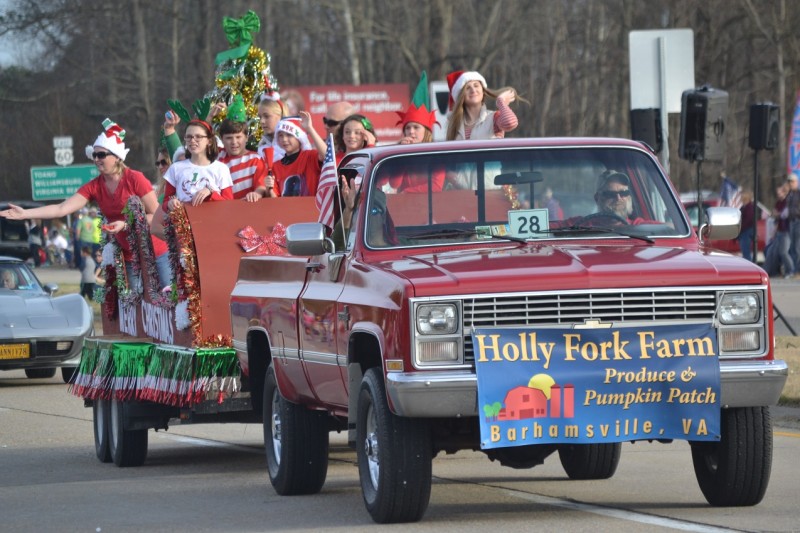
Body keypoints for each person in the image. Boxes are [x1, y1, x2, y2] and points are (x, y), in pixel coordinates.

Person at [0, 118, 173, 291]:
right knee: (135, 309)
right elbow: (61, 208)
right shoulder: (95, 186)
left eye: (101, 155)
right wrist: (25, 214)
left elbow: (157, 217)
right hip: (129, 256)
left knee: (167, 301)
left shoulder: (135, 178)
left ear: (117, 157)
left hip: (156, 251)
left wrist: (126, 224)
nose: (96, 159)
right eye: (94, 155)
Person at [163, 119, 233, 211]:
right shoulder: (176, 168)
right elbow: (165, 202)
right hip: (184, 222)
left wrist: (211, 193)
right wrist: (170, 203)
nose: (192, 140)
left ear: (209, 141)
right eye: (189, 137)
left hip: (213, 220)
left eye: (198, 137)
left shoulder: (221, 169)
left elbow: (229, 204)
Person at [217, 96, 270, 201]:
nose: (234, 142)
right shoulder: (218, 157)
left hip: (247, 210)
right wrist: (209, 117)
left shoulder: (255, 160)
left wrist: (256, 194)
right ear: (222, 139)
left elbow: (261, 186)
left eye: (238, 137)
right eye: (229, 138)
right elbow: (202, 140)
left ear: (246, 138)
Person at [445, 70, 520, 141]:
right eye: (467, 88)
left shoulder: (493, 118)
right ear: (461, 96)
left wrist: (501, 102)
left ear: (483, 91)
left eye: (476, 86)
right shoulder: (454, 123)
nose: (473, 90)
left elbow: (511, 123)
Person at [269, 115, 323, 197]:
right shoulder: (275, 166)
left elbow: (326, 155)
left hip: (310, 208)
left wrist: (310, 129)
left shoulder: (309, 156)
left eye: (289, 135)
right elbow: (275, 200)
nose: (284, 139)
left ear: (300, 138)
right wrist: (269, 188)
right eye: (280, 135)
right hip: (286, 209)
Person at [738, 189, 755, 262]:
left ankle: (750, 267)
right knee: (744, 251)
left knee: (746, 251)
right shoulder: (743, 207)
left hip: (747, 231)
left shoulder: (749, 207)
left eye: (742, 195)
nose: (740, 197)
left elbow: (748, 220)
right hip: (743, 231)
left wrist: (740, 228)